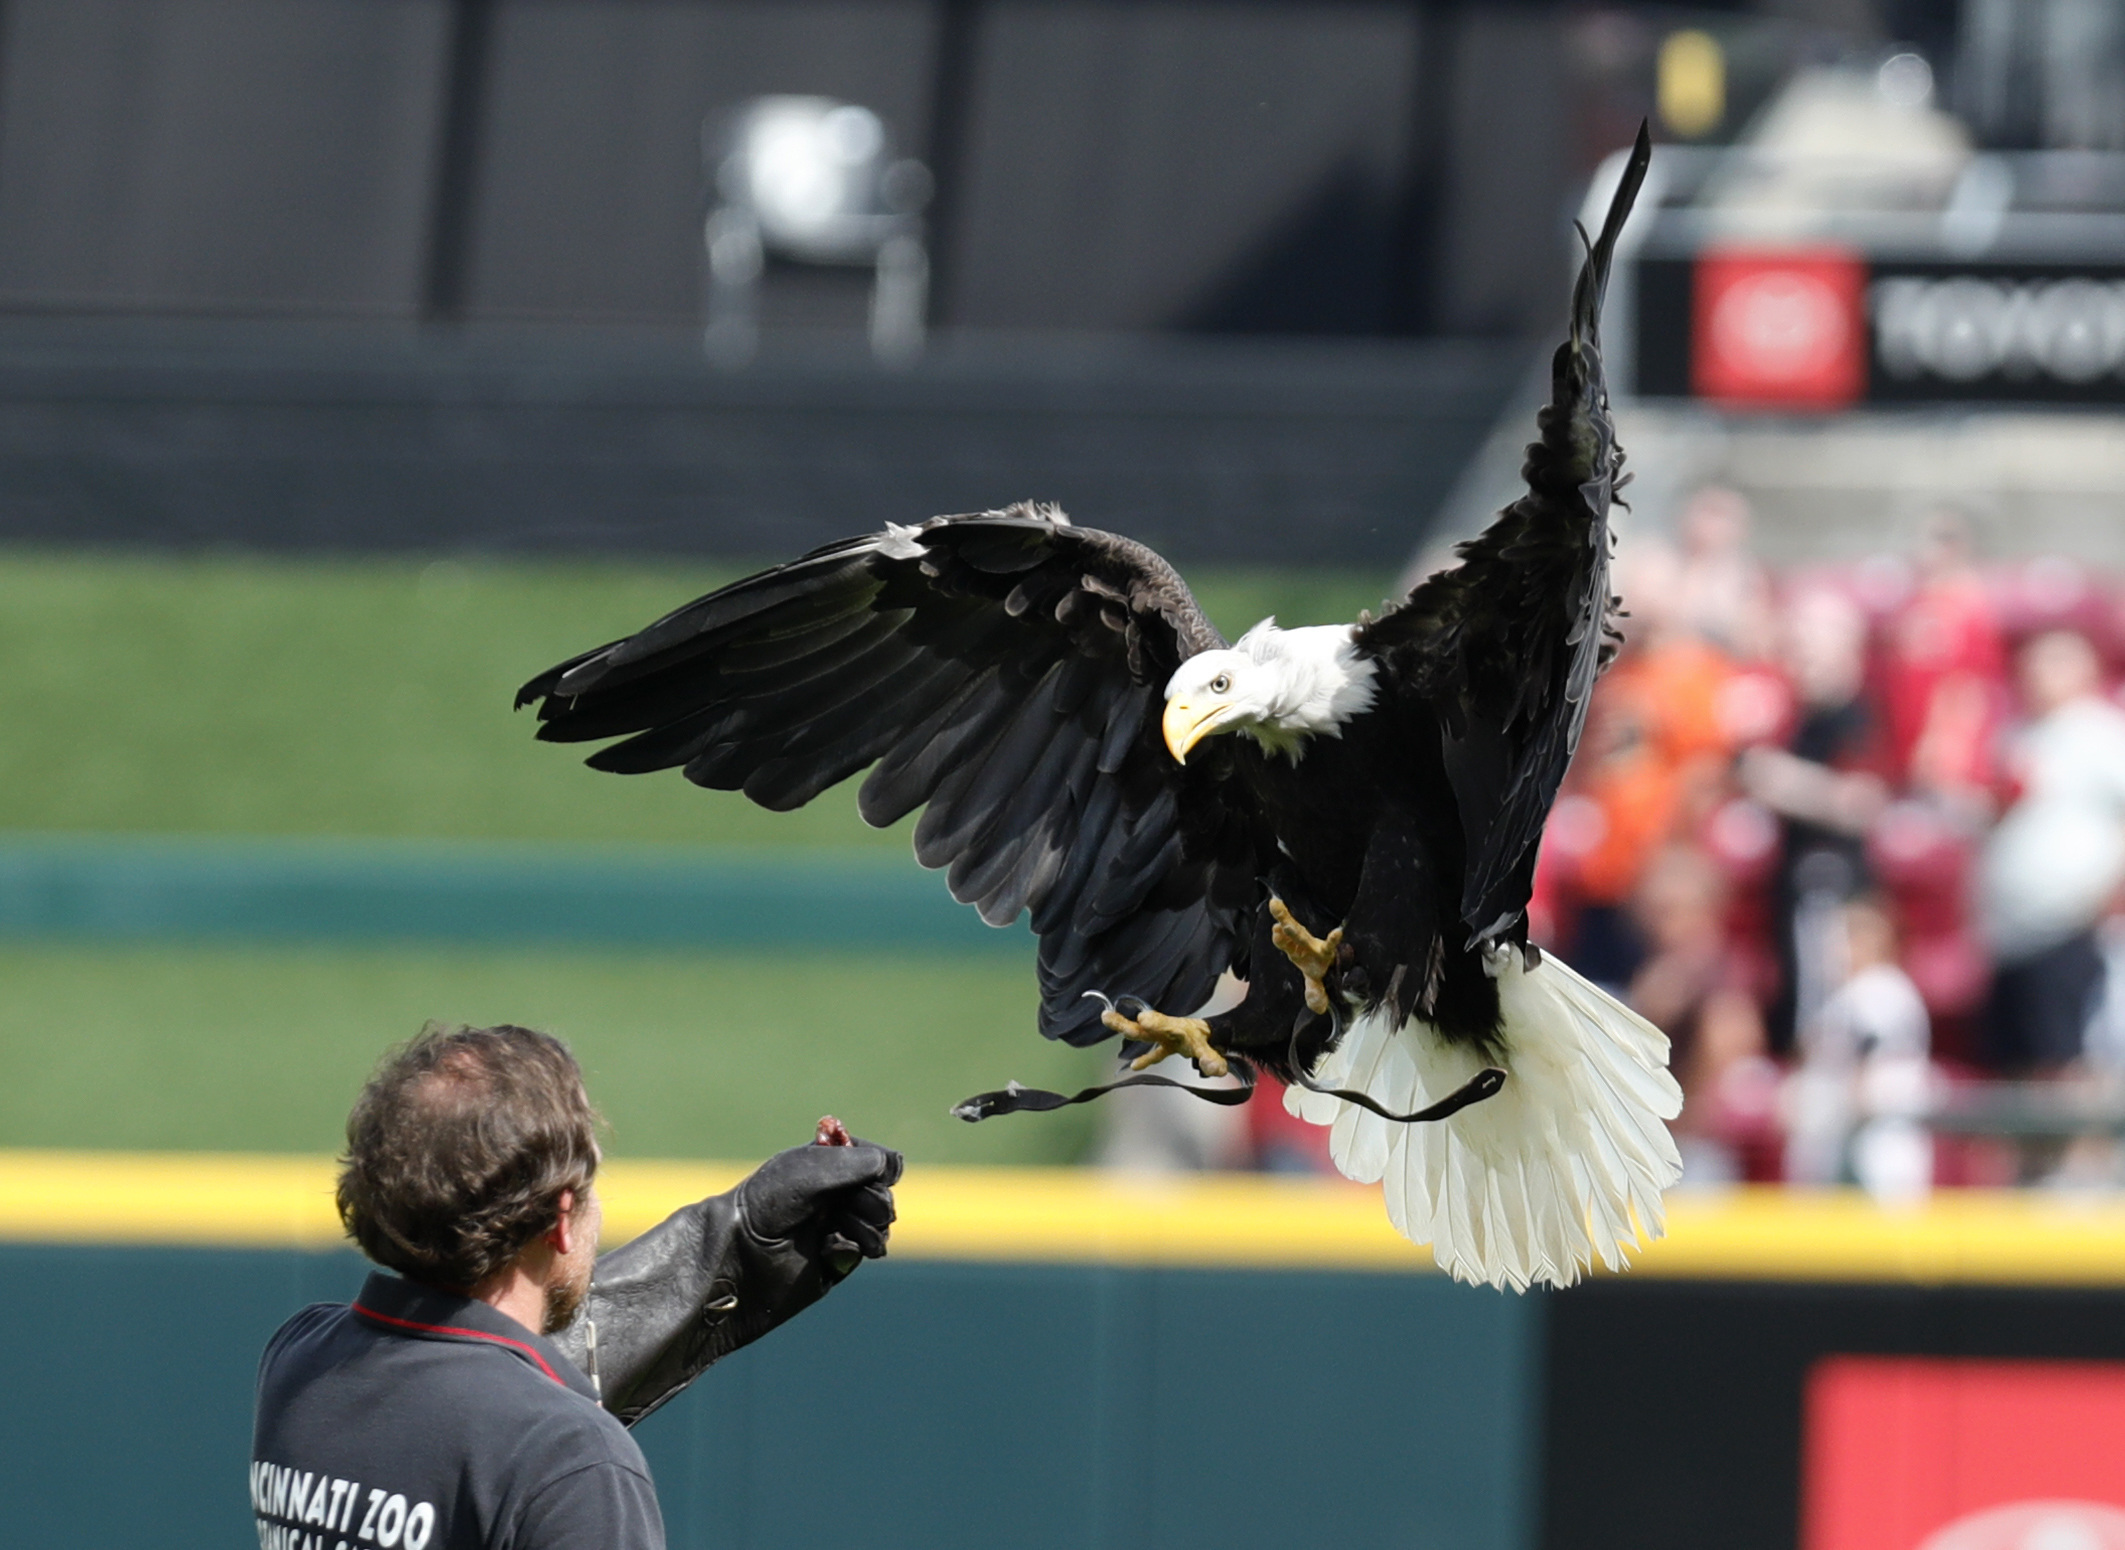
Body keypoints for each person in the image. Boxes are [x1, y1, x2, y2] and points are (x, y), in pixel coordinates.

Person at [252, 1023, 901, 1549]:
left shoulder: (303, 1359)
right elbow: (510, 1430)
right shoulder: (577, 1467)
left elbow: (468, 1409)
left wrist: (733, 1246)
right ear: (561, 1219)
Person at [1981, 629, 2125, 1076]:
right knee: (2019, 1069)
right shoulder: (2018, 734)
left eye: (2052, 662)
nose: (2037, 674)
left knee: (2065, 1065)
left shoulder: (2100, 733)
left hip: (2069, 927)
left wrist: (2107, 893)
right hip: (2012, 934)